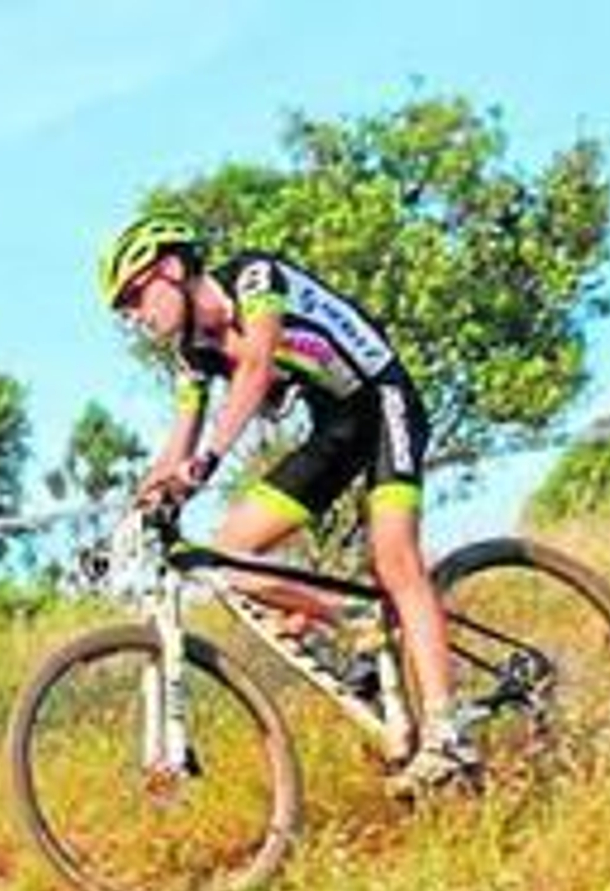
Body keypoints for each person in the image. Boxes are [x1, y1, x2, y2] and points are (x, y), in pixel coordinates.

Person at [97, 211, 486, 792]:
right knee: (229, 555)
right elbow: (176, 444)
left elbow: (255, 371)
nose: (135, 316)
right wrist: (135, 516)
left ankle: (448, 733)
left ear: (173, 269)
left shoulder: (254, 280)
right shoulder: (192, 354)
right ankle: (353, 621)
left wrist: (208, 462)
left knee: (394, 557)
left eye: (136, 295)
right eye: (125, 310)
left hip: (384, 401)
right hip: (335, 425)